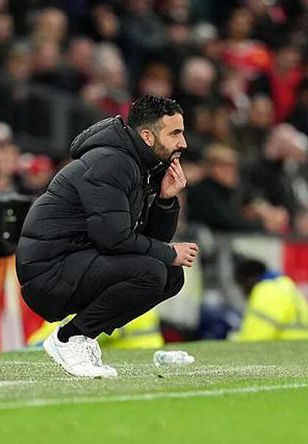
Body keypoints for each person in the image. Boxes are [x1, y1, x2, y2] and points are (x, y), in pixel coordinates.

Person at [16, 95, 199, 378]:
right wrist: (169, 252)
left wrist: (165, 201)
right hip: (48, 271)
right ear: (147, 136)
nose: (183, 143)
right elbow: (113, 238)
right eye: (175, 133)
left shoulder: (141, 165)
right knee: (153, 270)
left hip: (77, 261)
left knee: (170, 274)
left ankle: (82, 336)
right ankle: (69, 338)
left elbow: (149, 239)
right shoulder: (111, 162)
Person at [231, 258, 308, 342]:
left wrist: (234, 338)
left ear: (249, 281)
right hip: (303, 340)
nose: (242, 292)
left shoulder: (266, 291)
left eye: (241, 285)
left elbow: (256, 338)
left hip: (285, 342)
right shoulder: (286, 284)